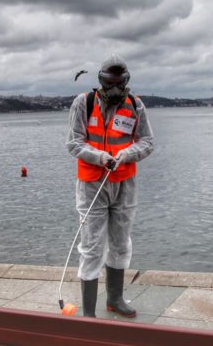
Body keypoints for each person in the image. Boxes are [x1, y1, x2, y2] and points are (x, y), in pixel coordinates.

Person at [66, 54, 154, 317]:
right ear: (100, 80)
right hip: (92, 183)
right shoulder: (84, 103)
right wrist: (100, 157)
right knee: (92, 245)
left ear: (125, 81)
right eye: (109, 82)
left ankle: (115, 299)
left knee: (120, 242)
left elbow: (147, 142)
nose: (114, 88)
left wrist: (127, 154)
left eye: (119, 82)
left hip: (125, 184)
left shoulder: (136, 105)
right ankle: (89, 313)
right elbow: (73, 143)